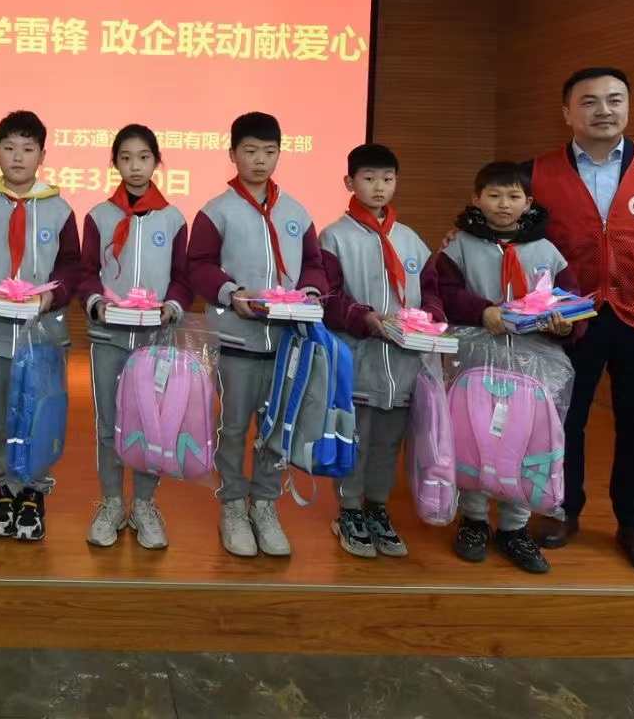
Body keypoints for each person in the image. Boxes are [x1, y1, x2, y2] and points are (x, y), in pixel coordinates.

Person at [524, 68, 634, 579]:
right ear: (567, 113)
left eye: (615, 99)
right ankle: (562, 510)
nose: (603, 110)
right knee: (563, 420)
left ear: (627, 106)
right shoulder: (535, 172)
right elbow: (513, 235)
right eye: (589, 101)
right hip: (568, 316)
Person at [428, 160, 585, 573]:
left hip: (533, 364)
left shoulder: (547, 251)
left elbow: (570, 302)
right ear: (476, 199)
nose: (504, 204)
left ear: (528, 202)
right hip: (475, 360)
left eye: (514, 196)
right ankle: (474, 519)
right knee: (474, 436)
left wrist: (566, 324)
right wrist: (483, 312)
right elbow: (443, 293)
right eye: (494, 195)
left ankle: (515, 527)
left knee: (526, 441)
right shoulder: (459, 246)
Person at [187, 111, 331, 559]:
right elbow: (198, 266)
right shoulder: (216, 211)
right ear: (232, 154)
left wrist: (310, 292)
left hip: (287, 345)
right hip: (236, 342)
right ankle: (232, 505)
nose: (260, 160)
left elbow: (314, 265)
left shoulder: (296, 212)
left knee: (277, 428)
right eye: (250, 151)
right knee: (232, 428)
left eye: (269, 152)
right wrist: (232, 293)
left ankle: (265, 504)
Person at [0, 110, 82, 542]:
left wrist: (50, 297)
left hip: (44, 336)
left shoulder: (60, 210)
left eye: (28, 148)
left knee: (39, 414)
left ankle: (34, 492)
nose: (18, 156)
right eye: (9, 148)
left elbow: (71, 267)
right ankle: (5, 488)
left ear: (43, 155)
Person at [318, 144, 444, 561]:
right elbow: (329, 298)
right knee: (355, 439)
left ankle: (377, 508)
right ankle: (349, 510)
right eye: (369, 178)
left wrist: (429, 319)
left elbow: (432, 292)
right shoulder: (334, 237)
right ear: (349, 182)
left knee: (389, 443)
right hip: (359, 360)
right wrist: (366, 318)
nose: (378, 187)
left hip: (404, 365)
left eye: (387, 179)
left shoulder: (411, 240)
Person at [76, 125, 193, 550]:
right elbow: (86, 273)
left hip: (155, 340)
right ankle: (111, 502)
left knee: (151, 424)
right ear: (114, 163)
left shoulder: (174, 219)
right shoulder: (99, 216)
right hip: (108, 337)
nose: (135, 167)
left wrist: (171, 306)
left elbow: (182, 278)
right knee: (108, 422)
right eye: (126, 158)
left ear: (157, 162)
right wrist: (96, 303)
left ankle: (144, 504)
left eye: (144, 158)